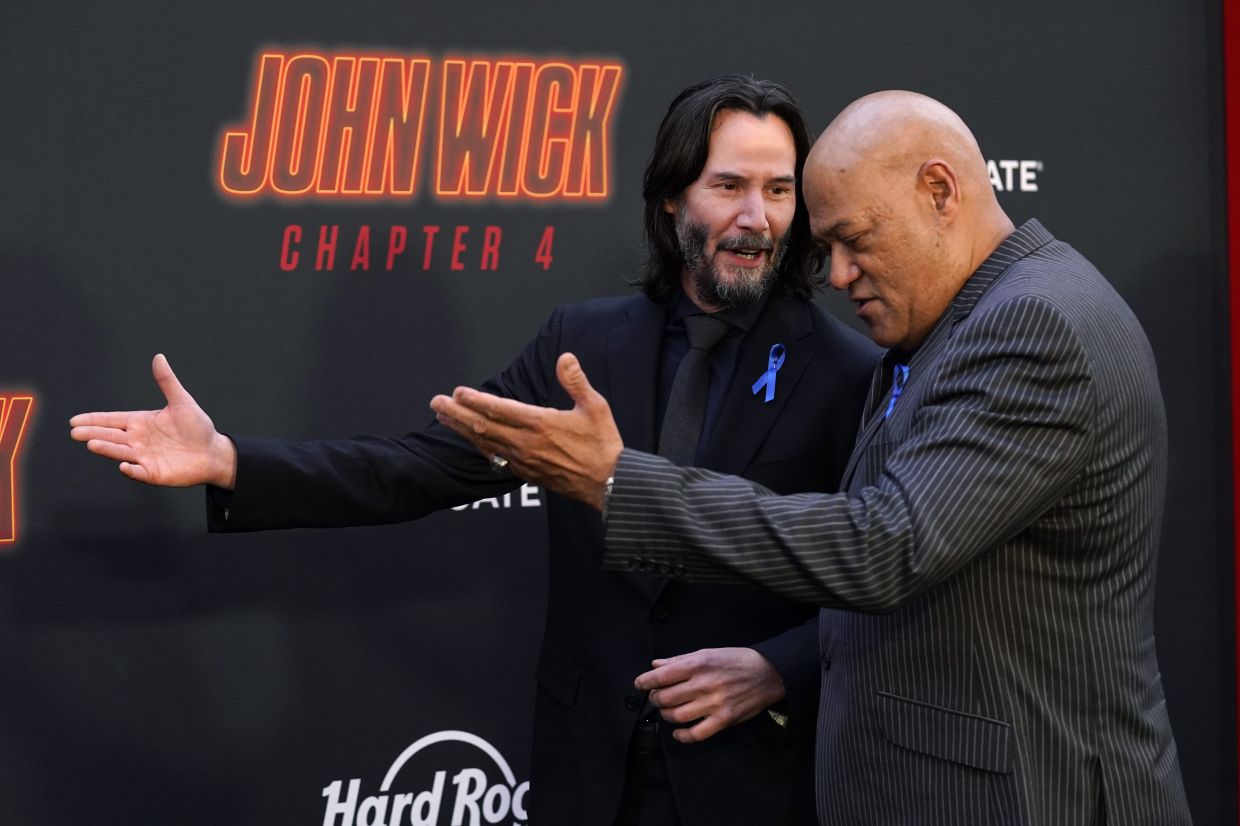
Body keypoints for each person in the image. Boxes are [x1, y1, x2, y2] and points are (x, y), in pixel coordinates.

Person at [71, 76, 878, 825]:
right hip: (585, 772)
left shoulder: (848, 375)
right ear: (673, 199)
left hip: (752, 783)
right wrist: (232, 463)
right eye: (730, 186)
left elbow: (884, 565)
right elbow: (422, 465)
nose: (758, 218)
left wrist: (779, 667)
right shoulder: (585, 344)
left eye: (778, 191)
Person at [429, 90, 1194, 825]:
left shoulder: (1034, 324)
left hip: (1023, 795)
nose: (836, 275)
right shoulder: (956, 324)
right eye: (825, 248)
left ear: (939, 191)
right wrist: (781, 662)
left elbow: (881, 546)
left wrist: (619, 482)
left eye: (856, 240)